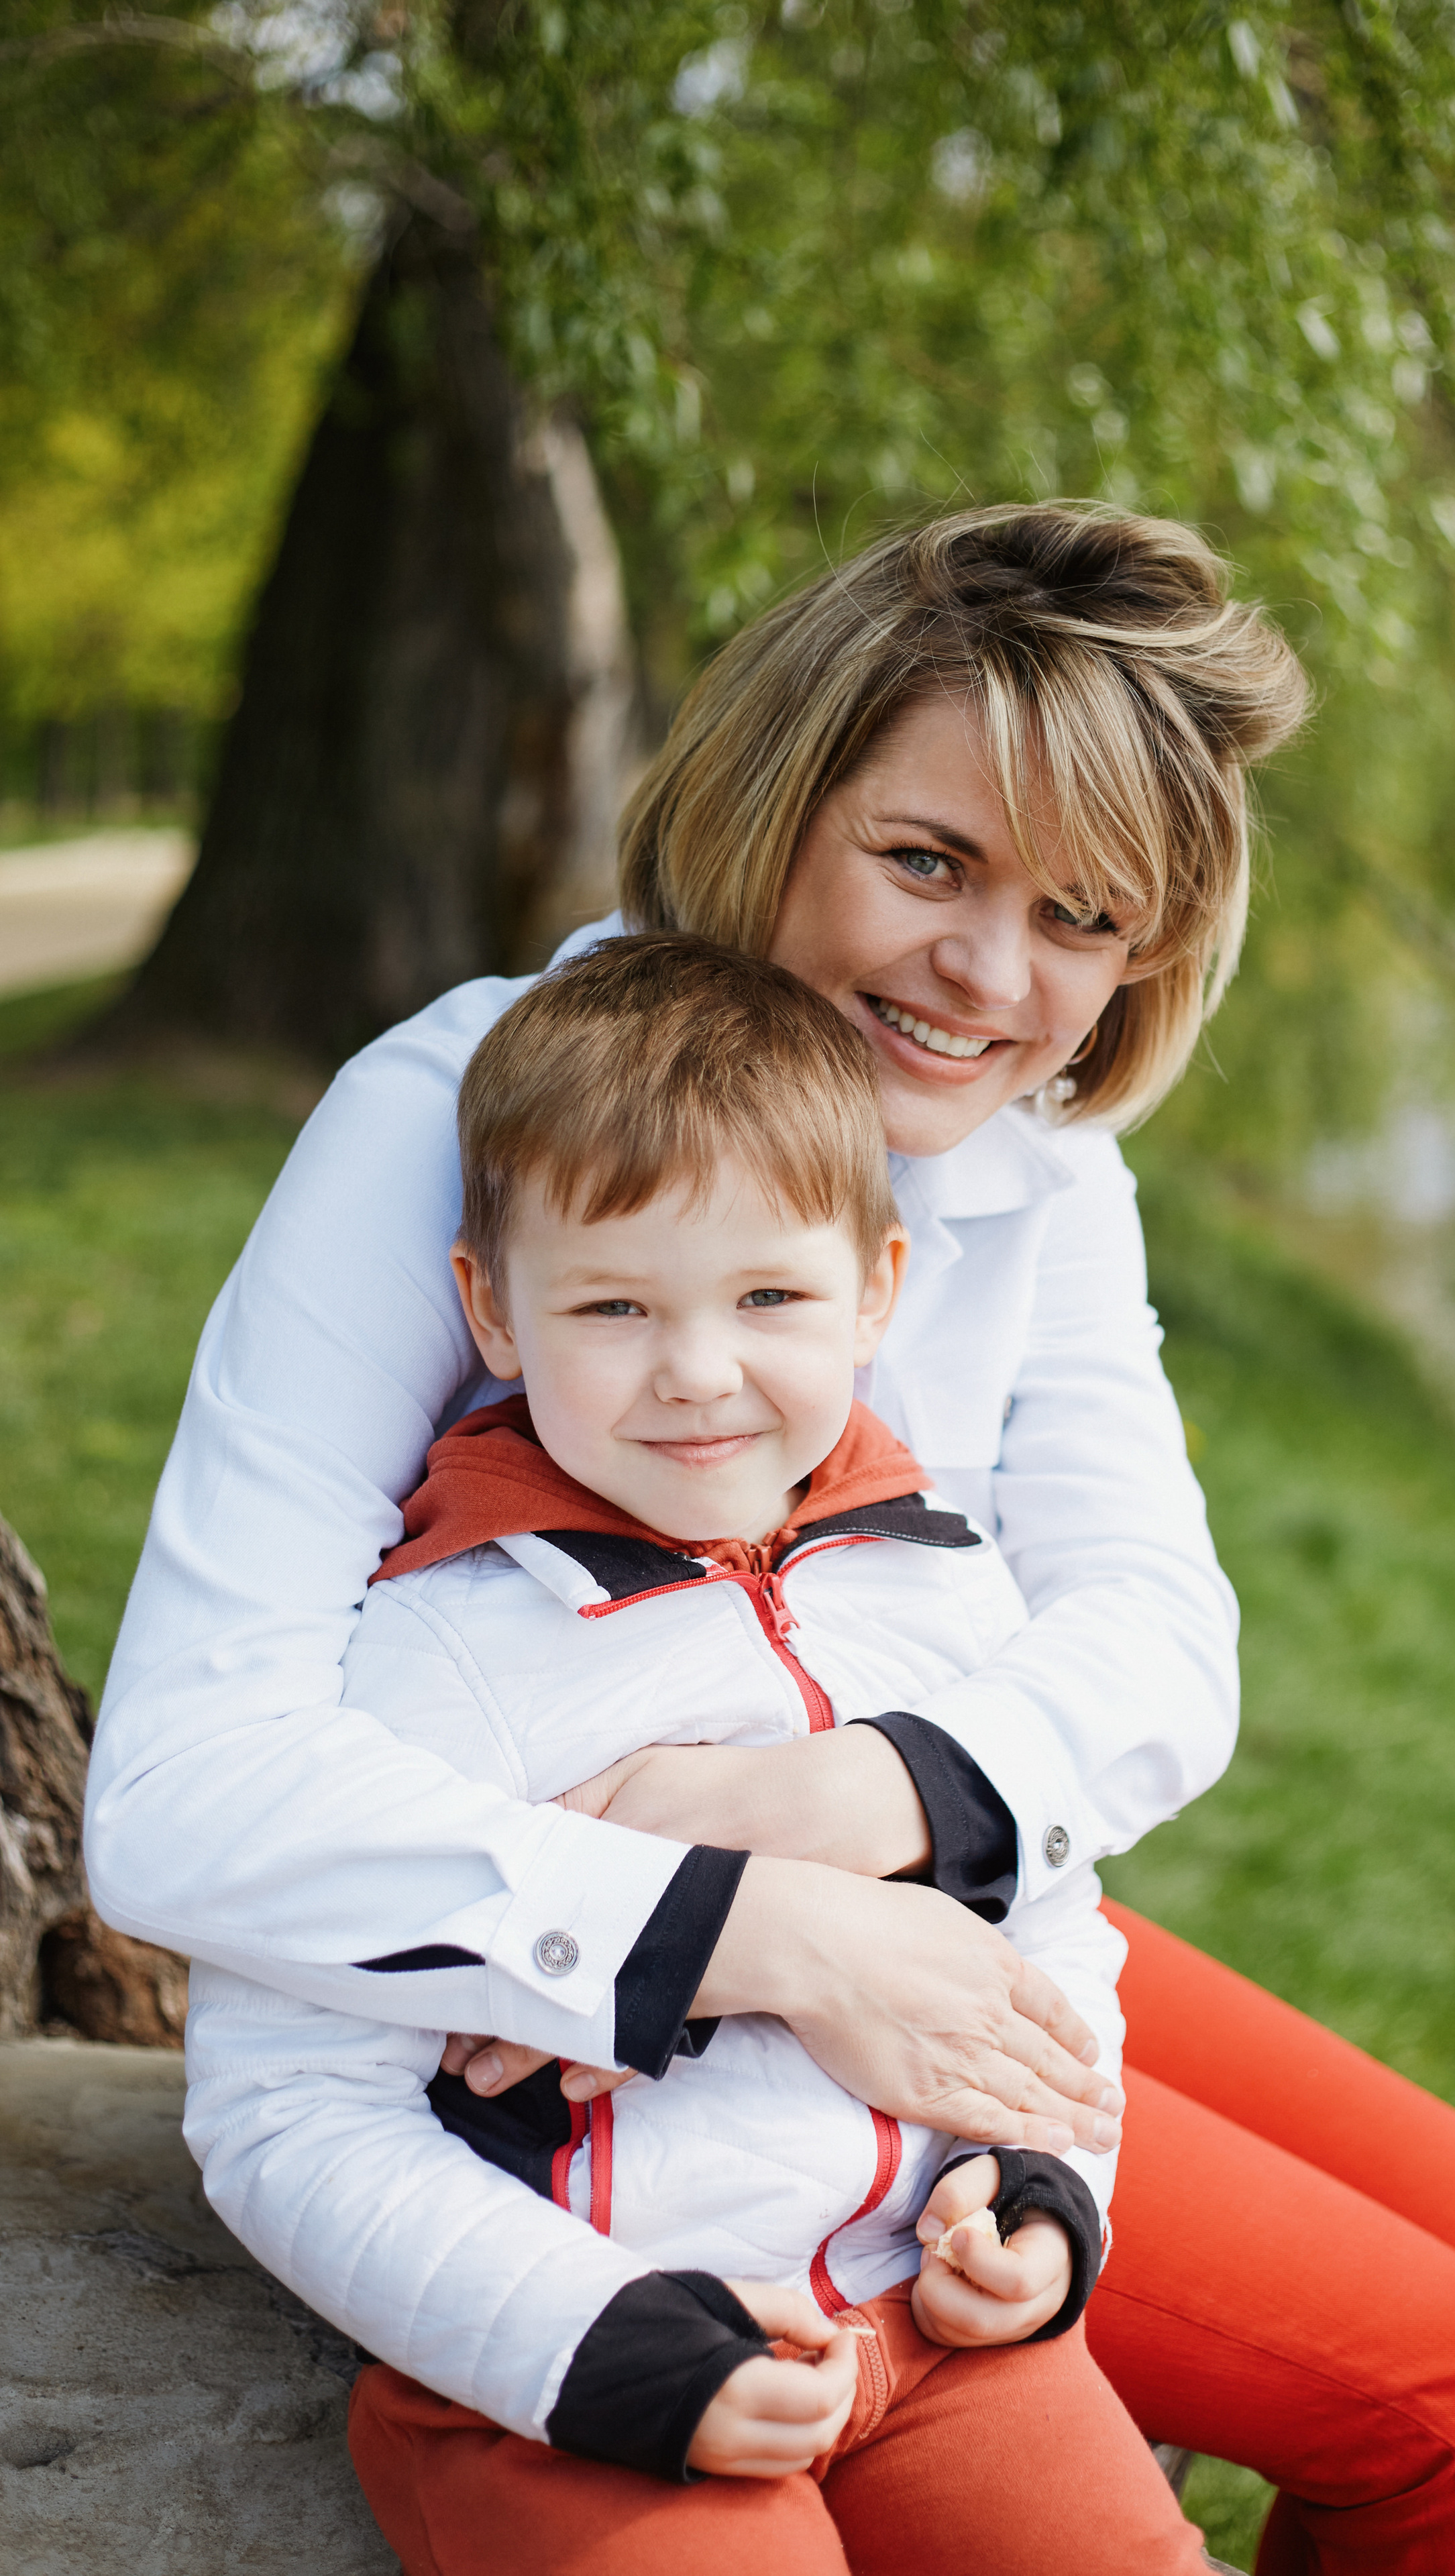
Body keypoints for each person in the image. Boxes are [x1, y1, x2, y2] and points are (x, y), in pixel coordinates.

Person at [87, 502, 1455, 2571]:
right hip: (586, 2062)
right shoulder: (451, 1117)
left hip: (934, 1925)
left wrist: (831, 1808)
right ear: (777, 805)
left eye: (1083, 917)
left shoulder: (1045, 1178)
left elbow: (1159, 1642)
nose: (987, 979)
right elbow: (183, 1795)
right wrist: (747, 1925)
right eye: (926, 863)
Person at [183, 934, 1214, 2574]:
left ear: (876, 1289)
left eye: (770, 1298)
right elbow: (288, 2108)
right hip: (582, 2381)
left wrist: (1034, 2186)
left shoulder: (938, 1582)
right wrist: (595, 2343)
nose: (699, 1373)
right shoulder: (437, 1651)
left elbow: (1043, 1944)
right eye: (612, 1304)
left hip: (933, 2333)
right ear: (490, 1310)